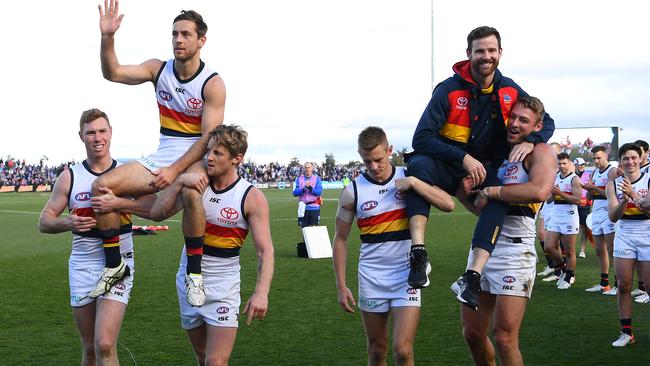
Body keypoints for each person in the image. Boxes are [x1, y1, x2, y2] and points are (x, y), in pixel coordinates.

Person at [405, 26, 555, 309]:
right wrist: (463, 159)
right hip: (452, 165)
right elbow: (421, 137)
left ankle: (471, 277)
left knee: (500, 190)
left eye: (491, 50)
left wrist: (532, 140)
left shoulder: (508, 88)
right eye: (480, 51)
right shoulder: (448, 90)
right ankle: (418, 254)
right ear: (468, 54)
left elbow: (546, 120)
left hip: (484, 170)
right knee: (418, 164)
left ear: (500, 53)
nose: (486, 56)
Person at [91, 1, 226, 306]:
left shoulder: (213, 84)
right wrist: (107, 37)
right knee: (101, 186)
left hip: (195, 156)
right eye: (175, 34)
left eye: (186, 35)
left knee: (191, 191)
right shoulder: (159, 68)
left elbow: (208, 141)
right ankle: (115, 265)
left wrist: (176, 170)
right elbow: (112, 73)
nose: (178, 39)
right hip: (163, 151)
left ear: (201, 40)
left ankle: (195, 273)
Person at [38, 109, 156, 365]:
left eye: (102, 131)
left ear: (111, 133)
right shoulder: (70, 176)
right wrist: (66, 222)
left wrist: (119, 202)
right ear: (81, 136)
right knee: (90, 347)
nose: (97, 137)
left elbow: (154, 209)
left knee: (104, 344)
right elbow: (44, 221)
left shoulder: (127, 173)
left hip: (118, 263)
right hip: (82, 264)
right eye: (90, 132)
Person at [149, 124, 274, 364]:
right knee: (203, 357)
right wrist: (181, 179)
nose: (210, 157)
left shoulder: (251, 197)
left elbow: (265, 251)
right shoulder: (198, 185)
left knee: (216, 362)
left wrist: (261, 292)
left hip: (223, 285)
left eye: (218, 153)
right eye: (209, 151)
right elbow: (158, 210)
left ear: (237, 158)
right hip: (188, 279)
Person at [333, 126, 453, 366]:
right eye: (368, 162)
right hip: (371, 276)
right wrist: (341, 285)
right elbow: (340, 239)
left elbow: (448, 204)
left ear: (390, 150)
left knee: (402, 350)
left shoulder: (410, 174)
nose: (374, 167)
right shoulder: (352, 191)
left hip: (406, 275)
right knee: (377, 350)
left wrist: (415, 183)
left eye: (378, 159)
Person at [458, 96, 555, 366]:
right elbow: (482, 209)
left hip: (515, 250)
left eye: (523, 120)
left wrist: (494, 191)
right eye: (512, 117)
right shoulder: (498, 152)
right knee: (473, 333)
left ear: (537, 126)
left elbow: (539, 190)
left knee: (504, 338)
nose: (514, 123)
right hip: (483, 248)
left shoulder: (541, 151)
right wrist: (467, 197)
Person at [606, 143, 650, 347]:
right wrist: (624, 201)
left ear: (641, 158)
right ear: (620, 162)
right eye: (625, 158)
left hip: (647, 233)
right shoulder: (613, 184)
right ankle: (626, 333)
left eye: (634, 157)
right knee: (623, 285)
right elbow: (613, 217)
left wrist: (634, 195)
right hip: (624, 234)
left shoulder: (649, 179)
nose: (630, 162)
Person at [544, 153, 582, 289]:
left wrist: (560, 193)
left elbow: (577, 200)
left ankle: (569, 276)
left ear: (569, 163)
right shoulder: (554, 177)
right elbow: (548, 200)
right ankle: (563, 270)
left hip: (569, 216)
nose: (562, 166)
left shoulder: (574, 179)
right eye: (559, 164)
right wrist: (553, 194)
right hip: (556, 214)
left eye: (564, 163)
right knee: (548, 246)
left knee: (569, 249)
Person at [582, 146, 617, 294]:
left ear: (606, 157)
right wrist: (588, 189)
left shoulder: (612, 171)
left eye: (599, 158)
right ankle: (604, 284)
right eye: (594, 158)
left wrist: (594, 188)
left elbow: (613, 195)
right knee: (598, 250)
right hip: (595, 212)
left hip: (608, 212)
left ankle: (618, 284)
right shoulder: (594, 172)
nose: (596, 161)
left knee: (612, 250)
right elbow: (590, 198)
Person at [574, 157, 594, 258]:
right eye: (579, 165)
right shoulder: (572, 175)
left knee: (584, 227)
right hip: (572, 203)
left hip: (584, 204)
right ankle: (570, 249)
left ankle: (582, 250)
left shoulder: (588, 175)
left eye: (582, 165)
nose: (581, 167)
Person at [292, 162, 323, 228]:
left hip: (314, 208)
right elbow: (294, 193)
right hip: (303, 208)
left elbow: (319, 192)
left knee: (313, 232)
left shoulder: (317, 179)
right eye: (306, 167)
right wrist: (303, 189)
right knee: (304, 232)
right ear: (303, 168)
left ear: (312, 168)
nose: (307, 169)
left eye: (309, 167)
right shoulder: (298, 179)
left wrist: (310, 188)